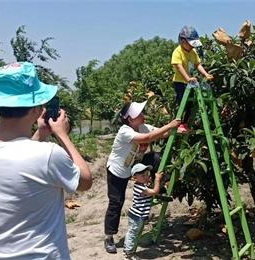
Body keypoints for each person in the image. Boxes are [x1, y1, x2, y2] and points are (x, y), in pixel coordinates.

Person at [0, 61, 92, 259]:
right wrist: (62, 135)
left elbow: (17, 159)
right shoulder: (48, 154)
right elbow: (84, 181)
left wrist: (41, 133)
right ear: (36, 109)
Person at [104, 101, 180, 254]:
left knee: (156, 158)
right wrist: (170, 125)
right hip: (117, 171)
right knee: (116, 202)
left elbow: (161, 133)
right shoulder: (124, 131)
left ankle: (159, 187)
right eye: (139, 114)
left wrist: (179, 130)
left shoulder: (143, 126)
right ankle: (109, 237)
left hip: (134, 166)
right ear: (130, 119)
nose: (143, 115)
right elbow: (149, 137)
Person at [171, 25, 214, 133]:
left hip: (190, 82)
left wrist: (205, 74)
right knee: (182, 103)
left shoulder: (193, 52)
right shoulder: (177, 52)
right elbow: (179, 67)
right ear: (183, 41)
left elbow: (197, 64)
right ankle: (178, 124)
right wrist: (188, 78)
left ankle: (184, 124)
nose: (192, 47)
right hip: (180, 82)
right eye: (190, 44)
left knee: (190, 104)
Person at [123, 163, 163, 259]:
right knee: (133, 233)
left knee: (134, 232)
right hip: (136, 216)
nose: (146, 177)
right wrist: (157, 179)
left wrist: (149, 182)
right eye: (142, 175)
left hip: (138, 215)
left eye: (146, 174)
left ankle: (128, 250)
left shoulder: (142, 185)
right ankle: (128, 252)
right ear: (135, 178)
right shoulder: (140, 188)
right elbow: (154, 192)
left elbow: (148, 187)